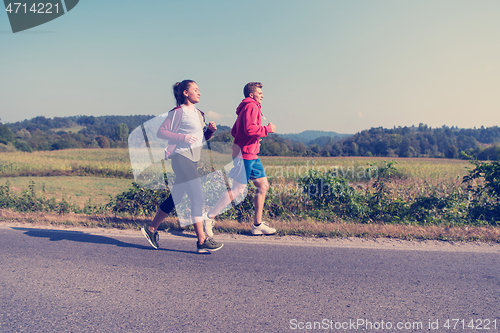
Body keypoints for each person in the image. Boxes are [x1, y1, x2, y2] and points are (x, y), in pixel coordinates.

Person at [141, 80, 224, 253]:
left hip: (192, 159)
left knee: (176, 198)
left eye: (199, 89)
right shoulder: (178, 112)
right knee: (198, 198)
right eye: (195, 89)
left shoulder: (199, 113)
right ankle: (202, 241)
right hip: (181, 158)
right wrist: (182, 138)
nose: (199, 92)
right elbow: (161, 132)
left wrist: (210, 131)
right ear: (185, 93)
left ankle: (151, 229)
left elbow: (200, 138)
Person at [202, 82, 277, 236]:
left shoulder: (246, 107)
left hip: (251, 153)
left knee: (262, 185)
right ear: (251, 95)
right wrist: (267, 130)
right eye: (260, 92)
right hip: (244, 155)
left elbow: (235, 131)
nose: (263, 95)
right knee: (238, 189)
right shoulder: (251, 106)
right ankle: (209, 217)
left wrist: (252, 141)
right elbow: (249, 129)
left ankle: (257, 224)